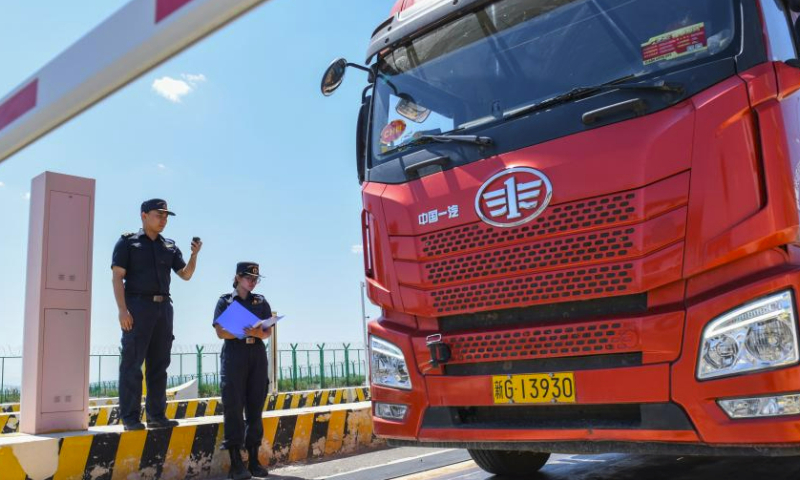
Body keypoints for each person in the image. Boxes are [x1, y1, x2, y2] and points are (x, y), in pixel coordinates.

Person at [111, 198, 202, 431]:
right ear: (144, 215)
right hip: (137, 307)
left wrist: (194, 255)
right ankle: (131, 418)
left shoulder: (169, 246)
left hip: (163, 309)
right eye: (158, 214)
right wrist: (122, 310)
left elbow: (185, 275)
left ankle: (156, 415)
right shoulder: (128, 243)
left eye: (165, 216)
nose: (163, 220)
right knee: (132, 364)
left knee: (159, 365)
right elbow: (117, 277)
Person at [214, 262, 272, 479]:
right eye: (248, 277)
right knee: (234, 407)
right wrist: (242, 330)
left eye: (256, 278)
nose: (253, 281)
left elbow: (267, 331)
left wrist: (257, 333)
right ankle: (236, 463)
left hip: (256, 353)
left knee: (255, 407)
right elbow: (220, 332)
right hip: (234, 355)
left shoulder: (261, 301)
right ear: (237, 277)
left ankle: (254, 461)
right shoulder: (225, 301)